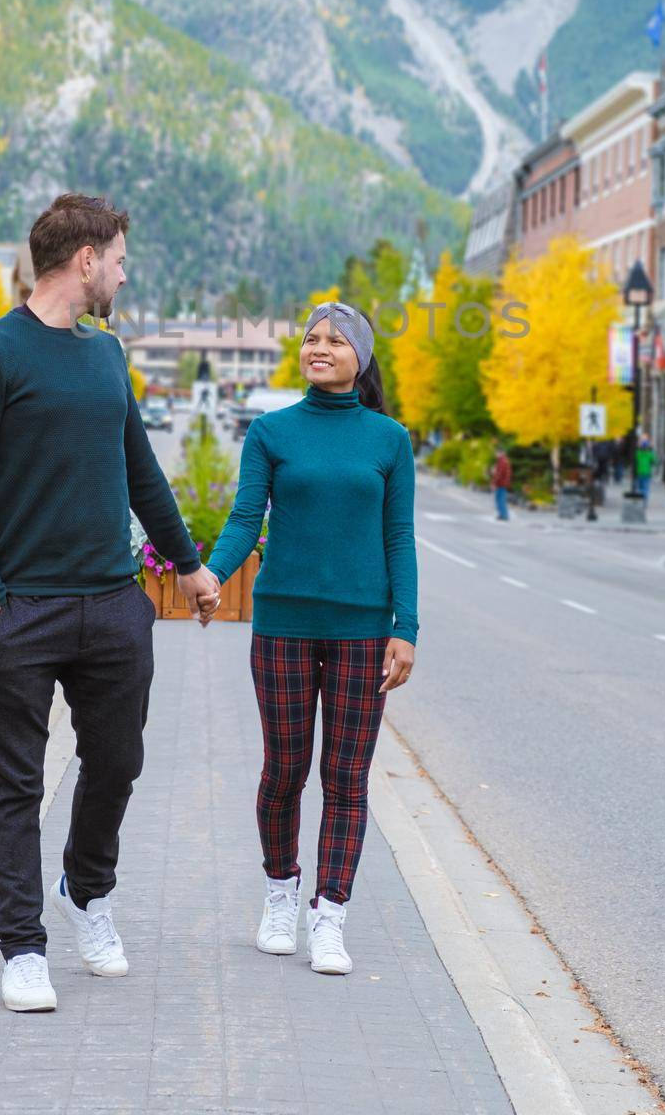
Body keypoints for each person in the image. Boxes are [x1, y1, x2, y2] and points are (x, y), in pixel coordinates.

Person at [0, 193, 221, 1014]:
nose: (125, 272)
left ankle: (86, 892)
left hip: (114, 606)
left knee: (118, 764)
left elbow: (142, 474)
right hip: (23, 612)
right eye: (120, 258)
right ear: (85, 259)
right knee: (14, 786)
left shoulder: (105, 357)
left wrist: (193, 568)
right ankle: (23, 947)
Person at [205, 301, 417, 978]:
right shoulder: (270, 432)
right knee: (284, 772)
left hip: (362, 630)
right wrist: (210, 574)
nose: (318, 347)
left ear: (361, 355)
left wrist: (404, 629)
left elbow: (398, 541)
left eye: (334, 340)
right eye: (310, 338)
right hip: (284, 626)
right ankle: (280, 894)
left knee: (346, 780)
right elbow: (245, 518)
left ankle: (331, 915)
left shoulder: (389, 440)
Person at [490, 444, 513, 520]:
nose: (495, 454)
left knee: (500, 499)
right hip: (504, 483)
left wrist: (493, 483)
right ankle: (502, 514)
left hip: (501, 483)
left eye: (496, 453)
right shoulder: (504, 460)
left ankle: (503, 515)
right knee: (500, 498)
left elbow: (499, 474)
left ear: (501, 453)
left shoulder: (502, 461)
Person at [634, 433, 655, 504]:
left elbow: (634, 459)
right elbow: (655, 461)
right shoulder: (650, 454)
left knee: (639, 488)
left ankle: (639, 501)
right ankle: (644, 501)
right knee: (645, 488)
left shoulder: (638, 453)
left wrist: (638, 446)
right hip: (647, 472)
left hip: (639, 472)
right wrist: (651, 449)